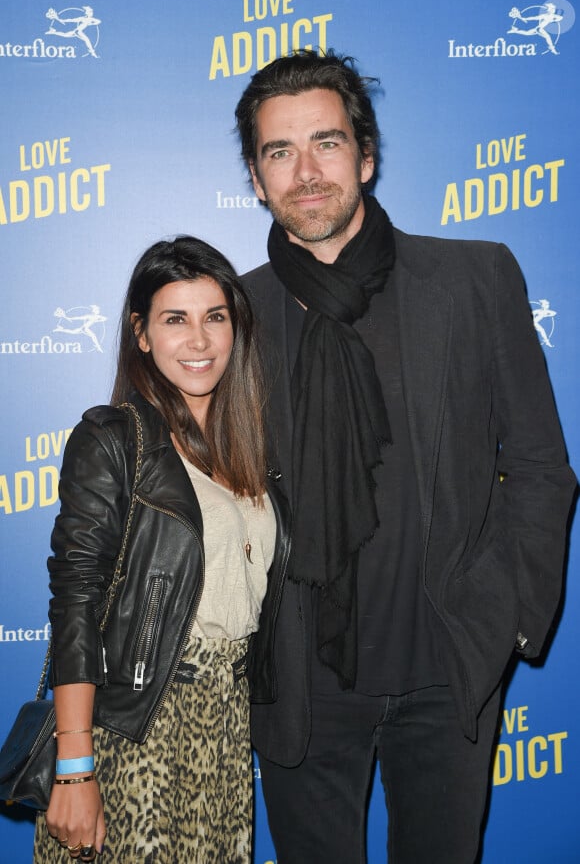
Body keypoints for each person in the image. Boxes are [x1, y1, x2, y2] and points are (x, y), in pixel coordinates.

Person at [234, 50, 576, 863]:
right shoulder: (234, 312)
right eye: (279, 152)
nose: (306, 171)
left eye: (326, 142)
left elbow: (538, 460)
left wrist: (513, 618)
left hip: (446, 665)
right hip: (299, 680)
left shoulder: (472, 278)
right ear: (255, 178)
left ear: (368, 156)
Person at [33, 236, 290, 863]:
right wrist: (74, 765)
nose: (199, 341)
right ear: (141, 333)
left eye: (215, 317)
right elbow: (76, 604)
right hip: (134, 728)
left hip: (226, 731)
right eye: (175, 319)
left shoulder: (254, 449)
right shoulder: (115, 437)